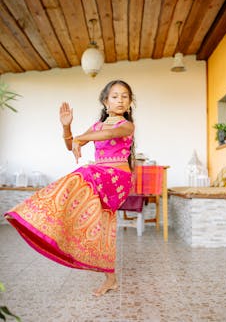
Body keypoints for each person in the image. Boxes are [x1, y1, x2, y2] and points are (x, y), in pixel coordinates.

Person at [5, 80, 135, 297]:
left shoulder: (127, 125)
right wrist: (67, 127)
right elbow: (71, 145)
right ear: (105, 102)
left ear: (130, 103)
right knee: (103, 227)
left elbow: (107, 135)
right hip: (99, 176)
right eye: (115, 96)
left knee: (81, 173)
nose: (120, 100)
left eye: (124, 96)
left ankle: (48, 217)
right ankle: (110, 279)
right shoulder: (95, 127)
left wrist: (79, 138)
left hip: (116, 178)